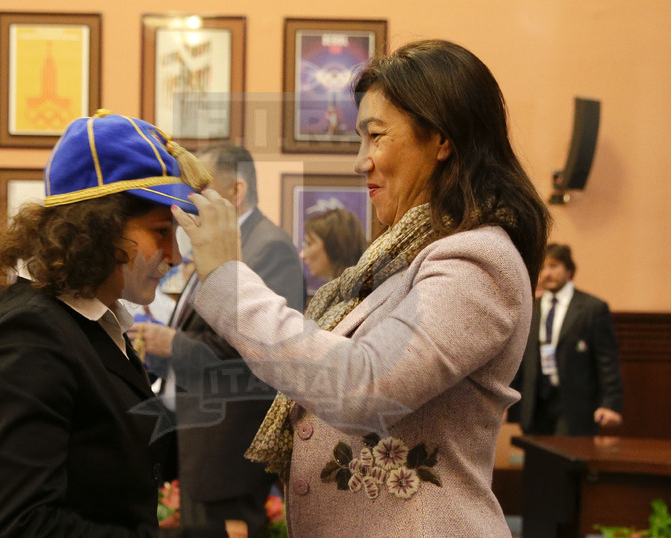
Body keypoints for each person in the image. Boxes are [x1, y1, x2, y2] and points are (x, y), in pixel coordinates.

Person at [170, 39, 551, 536]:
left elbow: (363, 386)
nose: (360, 161)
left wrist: (227, 279)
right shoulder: (398, 259)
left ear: (441, 138)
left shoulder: (476, 260)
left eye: (375, 136)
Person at [0, 110, 217, 537]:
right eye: (159, 232)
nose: (174, 255)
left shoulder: (91, 323)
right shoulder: (25, 339)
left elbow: (117, 446)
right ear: (96, 229)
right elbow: (22, 526)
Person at [137, 142, 304, 536]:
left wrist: (169, 343)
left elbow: (252, 351)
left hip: (227, 449)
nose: (188, 199)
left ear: (237, 192)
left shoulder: (268, 247)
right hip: (197, 437)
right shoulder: (216, 245)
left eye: (199, 188)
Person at [509, 243, 623, 435]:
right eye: (542, 267)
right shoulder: (529, 308)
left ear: (569, 270)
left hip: (573, 404)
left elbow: (607, 361)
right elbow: (519, 360)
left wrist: (611, 404)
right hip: (534, 404)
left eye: (553, 266)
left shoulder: (591, 309)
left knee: (567, 460)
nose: (546, 273)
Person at [300, 208, 366, 281]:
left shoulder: (356, 290)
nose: (302, 255)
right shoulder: (343, 288)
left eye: (309, 244)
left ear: (335, 246)